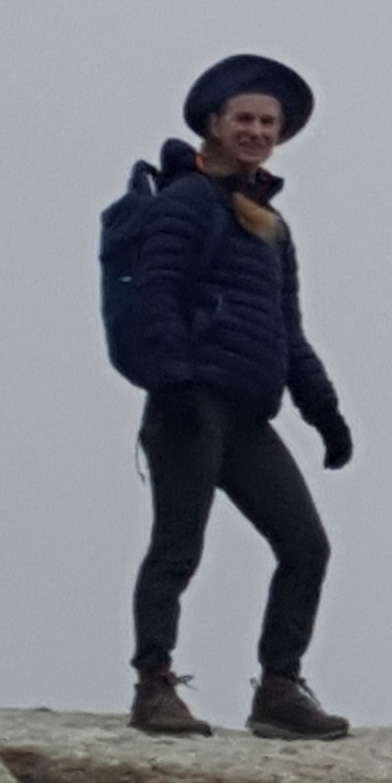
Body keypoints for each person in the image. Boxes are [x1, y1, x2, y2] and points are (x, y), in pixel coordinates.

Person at [121, 54, 354, 740]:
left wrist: (326, 413)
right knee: (177, 548)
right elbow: (154, 297)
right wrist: (175, 382)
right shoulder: (186, 204)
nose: (256, 130)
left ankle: (279, 690)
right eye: (244, 119)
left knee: (305, 546)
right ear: (214, 126)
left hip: (247, 415)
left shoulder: (268, 226)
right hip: (188, 410)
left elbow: (289, 331)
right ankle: (153, 688)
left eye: (267, 122)